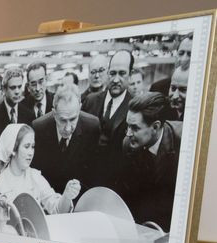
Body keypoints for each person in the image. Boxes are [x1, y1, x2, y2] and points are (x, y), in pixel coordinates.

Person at [120, 92, 182, 232]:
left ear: (155, 127)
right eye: (128, 126)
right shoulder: (128, 144)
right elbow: (132, 193)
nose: (128, 133)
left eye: (135, 128)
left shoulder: (184, 145)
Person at [0, 123, 80, 216]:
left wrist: (67, 196)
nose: (31, 152)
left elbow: (57, 210)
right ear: (13, 149)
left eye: (33, 147)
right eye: (26, 147)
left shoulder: (35, 177)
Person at [31, 85, 100, 196]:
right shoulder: (39, 128)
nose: (68, 128)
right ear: (54, 113)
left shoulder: (92, 126)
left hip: (80, 196)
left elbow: (93, 172)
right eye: (63, 120)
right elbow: (37, 173)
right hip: (49, 197)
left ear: (80, 108)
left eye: (73, 119)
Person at [83, 50, 134, 188]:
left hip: (117, 186)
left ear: (131, 75)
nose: (116, 79)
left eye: (122, 73)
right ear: (107, 73)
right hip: (87, 182)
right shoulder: (90, 101)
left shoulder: (135, 107)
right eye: (112, 73)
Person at [0, 67, 35, 149]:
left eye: (19, 87)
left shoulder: (29, 114)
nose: (17, 91)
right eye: (13, 87)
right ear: (4, 89)